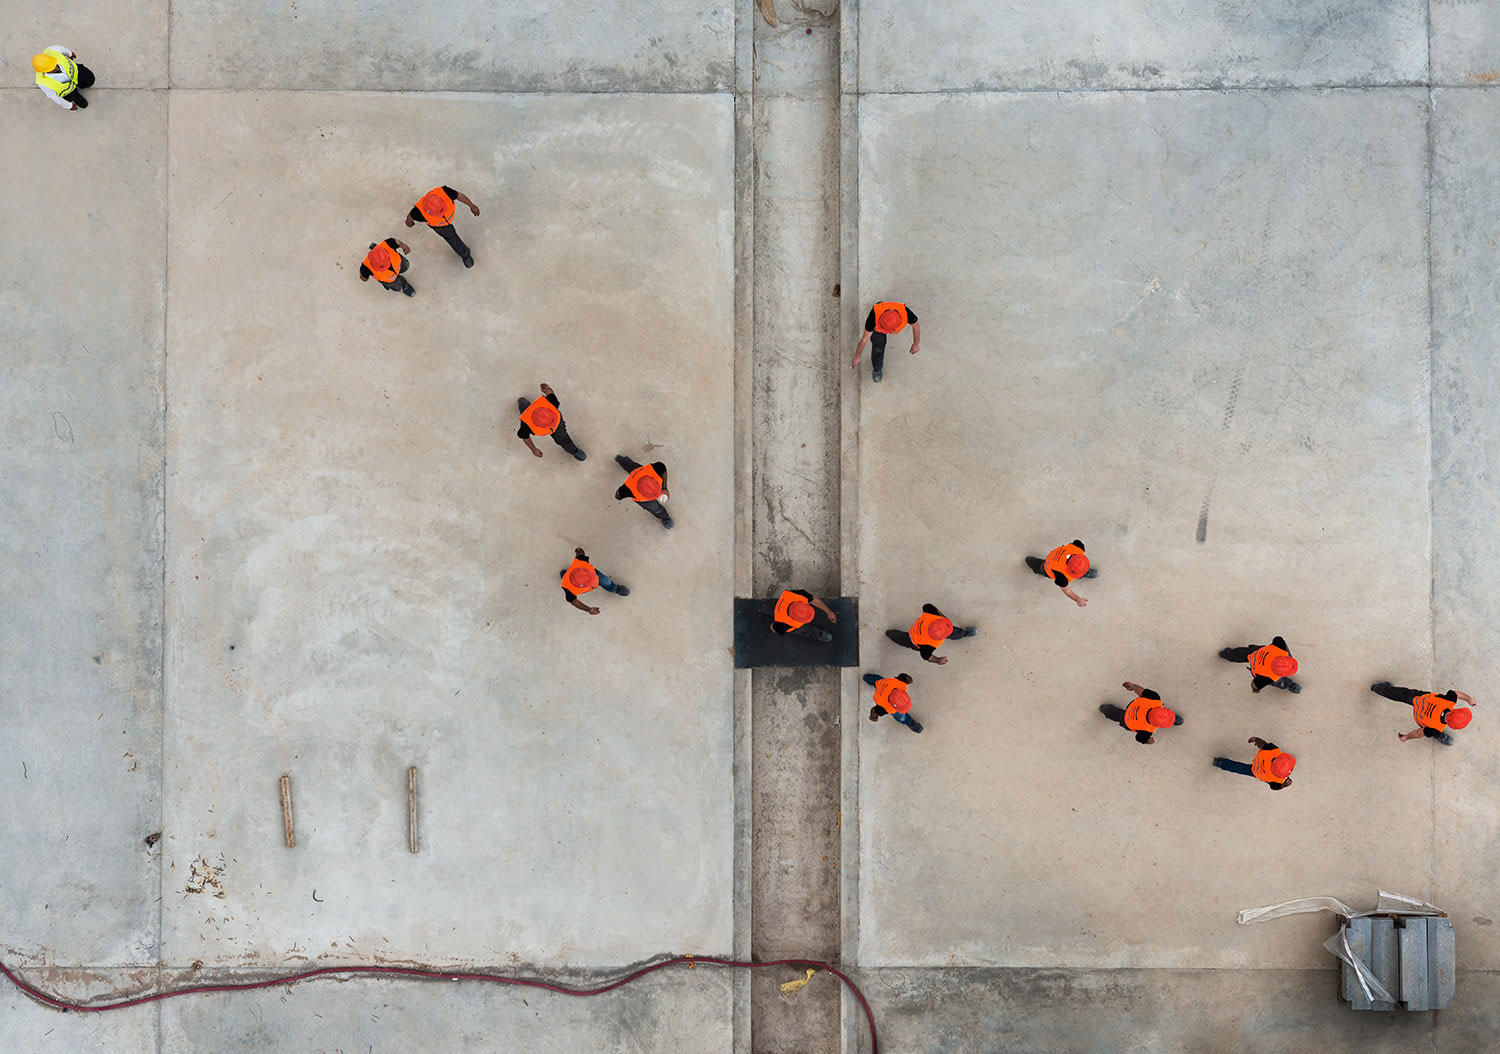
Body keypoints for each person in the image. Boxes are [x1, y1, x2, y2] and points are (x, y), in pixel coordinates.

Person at [1371, 682, 1474, 746]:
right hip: (1425, 722)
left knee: (1400, 694)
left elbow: (1457, 694)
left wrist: (1469, 699)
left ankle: (1377, 688)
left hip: (1419, 698)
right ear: (1451, 726)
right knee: (1434, 732)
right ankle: (1441, 737)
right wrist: (1406, 737)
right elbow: (1419, 733)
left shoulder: (1450, 701)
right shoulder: (1436, 728)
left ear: (1455, 710)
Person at [404, 186, 479, 268]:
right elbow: (410, 217)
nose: (442, 214)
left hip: (445, 220)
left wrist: (472, 205)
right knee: (452, 237)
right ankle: (465, 254)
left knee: (451, 236)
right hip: (440, 226)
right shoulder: (419, 212)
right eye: (439, 213)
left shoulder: (444, 192)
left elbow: (459, 195)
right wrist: (409, 222)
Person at [850, 301, 919, 383]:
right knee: (878, 347)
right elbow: (865, 338)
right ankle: (877, 369)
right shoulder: (874, 316)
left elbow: (915, 325)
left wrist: (916, 344)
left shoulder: (905, 311)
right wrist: (857, 356)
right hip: (878, 328)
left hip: (887, 319)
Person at [885, 604, 976, 665]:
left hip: (914, 635)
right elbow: (927, 657)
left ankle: (890, 634)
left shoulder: (930, 614)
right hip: (914, 641)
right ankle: (965, 633)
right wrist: (938, 660)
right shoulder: (927, 646)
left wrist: (943, 620)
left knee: (897, 636)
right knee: (953, 632)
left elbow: (927, 606)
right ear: (940, 638)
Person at [517, 383, 586, 461]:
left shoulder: (526, 424)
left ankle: (522, 402)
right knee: (563, 439)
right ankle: (575, 451)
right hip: (557, 423)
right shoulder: (551, 402)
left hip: (555, 424)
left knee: (524, 406)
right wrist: (546, 388)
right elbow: (550, 392)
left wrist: (534, 449)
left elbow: (526, 438)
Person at [1100, 681, 1181, 745]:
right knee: (1119, 717)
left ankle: (1106, 709)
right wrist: (1149, 741)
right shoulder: (1146, 731)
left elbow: (1141, 691)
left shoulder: (1154, 699)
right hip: (1127, 720)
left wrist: (1133, 686)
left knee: (1118, 715)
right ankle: (1107, 710)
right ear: (1156, 726)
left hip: (1134, 706)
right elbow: (1139, 739)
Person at [1025, 540, 1097, 607]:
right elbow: (1067, 590)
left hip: (1055, 557)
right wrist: (1077, 599)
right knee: (1040, 567)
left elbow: (1076, 543)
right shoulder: (1061, 578)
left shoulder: (1078, 547)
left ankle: (1030, 560)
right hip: (1048, 567)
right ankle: (1031, 562)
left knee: (1079, 568)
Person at [1218, 636, 1301, 694]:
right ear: (1280, 674)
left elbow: (1278, 638)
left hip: (1256, 652)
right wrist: (1255, 690)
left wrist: (1287, 654)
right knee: (1279, 682)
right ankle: (1290, 685)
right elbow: (1255, 684)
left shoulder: (1280, 649)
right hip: (1255, 666)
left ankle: (1226, 654)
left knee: (1240, 654)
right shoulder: (1270, 677)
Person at [559, 547, 628, 614]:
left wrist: (579, 550)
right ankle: (614, 588)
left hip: (589, 574)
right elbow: (574, 601)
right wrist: (589, 609)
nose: (593, 579)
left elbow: (580, 553)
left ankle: (615, 589)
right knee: (605, 581)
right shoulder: (568, 589)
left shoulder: (580, 561)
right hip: (583, 576)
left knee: (606, 581)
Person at [614, 455, 672, 529]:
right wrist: (664, 487)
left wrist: (665, 488)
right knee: (656, 508)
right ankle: (665, 518)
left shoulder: (655, 469)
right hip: (643, 499)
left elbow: (663, 467)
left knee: (631, 465)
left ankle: (621, 460)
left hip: (639, 472)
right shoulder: (629, 489)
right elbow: (618, 495)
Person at [1212, 737, 1294, 790]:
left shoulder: (1274, 751)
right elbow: (1274, 787)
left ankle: (1220, 762)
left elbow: (1263, 744)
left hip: (1259, 761)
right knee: (1239, 768)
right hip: (1256, 772)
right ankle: (1219, 763)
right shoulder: (1277, 781)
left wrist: (1255, 739)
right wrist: (1284, 785)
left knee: (1238, 767)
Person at [762, 589, 839, 642]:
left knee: (772, 609)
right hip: (788, 623)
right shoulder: (785, 625)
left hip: (780, 606)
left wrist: (829, 612)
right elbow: (773, 628)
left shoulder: (796, 594)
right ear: (797, 620)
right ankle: (818, 634)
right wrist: (780, 626)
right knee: (806, 630)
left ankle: (766, 609)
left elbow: (773, 627)